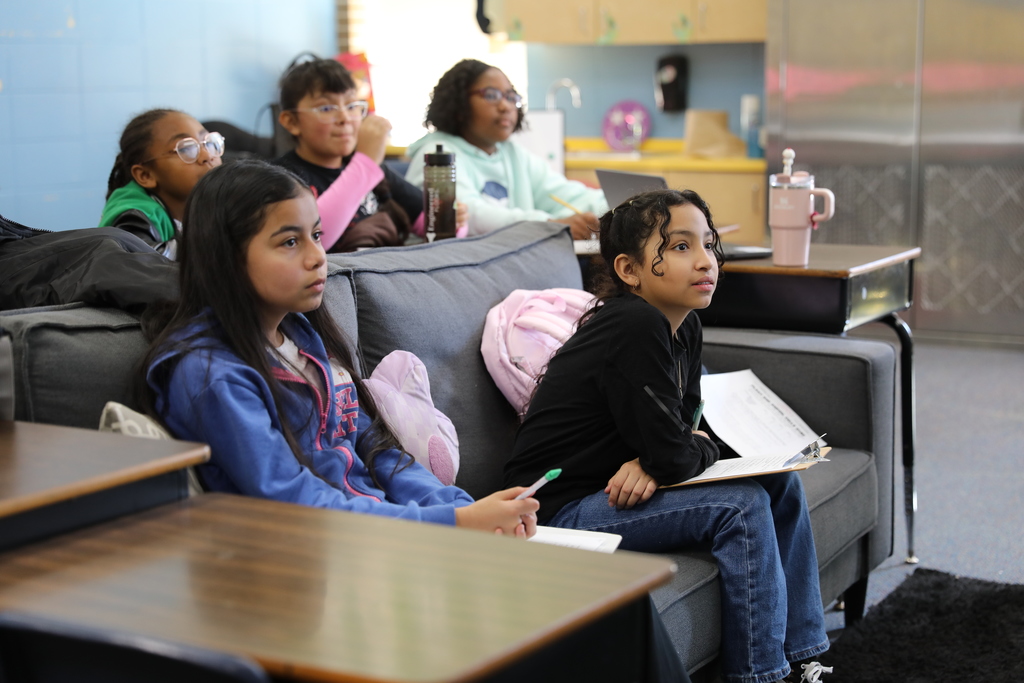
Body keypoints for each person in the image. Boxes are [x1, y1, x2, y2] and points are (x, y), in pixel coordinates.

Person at [502, 189, 832, 683]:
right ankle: (759, 676)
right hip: (557, 511)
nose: (706, 261)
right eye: (680, 247)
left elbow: (684, 430)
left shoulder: (685, 325)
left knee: (781, 484)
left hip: (611, 486)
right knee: (741, 507)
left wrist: (660, 455)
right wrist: (668, 453)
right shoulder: (632, 323)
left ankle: (804, 656)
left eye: (708, 244)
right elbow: (680, 449)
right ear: (629, 270)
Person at [137, 159, 538, 533]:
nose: (318, 258)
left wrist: (461, 507)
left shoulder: (302, 338)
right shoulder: (211, 375)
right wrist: (453, 523)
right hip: (311, 555)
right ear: (225, 257)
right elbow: (292, 502)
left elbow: (378, 448)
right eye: (289, 242)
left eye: (315, 235)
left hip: (380, 535)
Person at [274, 56, 465, 251]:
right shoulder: (282, 178)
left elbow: (436, 227)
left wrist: (451, 220)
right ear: (291, 122)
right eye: (326, 108)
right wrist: (366, 162)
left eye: (352, 106)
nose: (345, 118)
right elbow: (308, 243)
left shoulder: (373, 170)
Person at [405, 59, 607, 239]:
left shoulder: (513, 154)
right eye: (491, 95)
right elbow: (469, 216)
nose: (506, 106)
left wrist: (620, 207)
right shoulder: (437, 154)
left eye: (511, 97)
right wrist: (549, 225)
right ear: (458, 104)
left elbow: (565, 195)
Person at [100, 109, 224, 259]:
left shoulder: (209, 202)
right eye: (186, 148)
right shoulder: (134, 215)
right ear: (145, 175)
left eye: (209, 143)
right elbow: (142, 264)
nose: (207, 156)